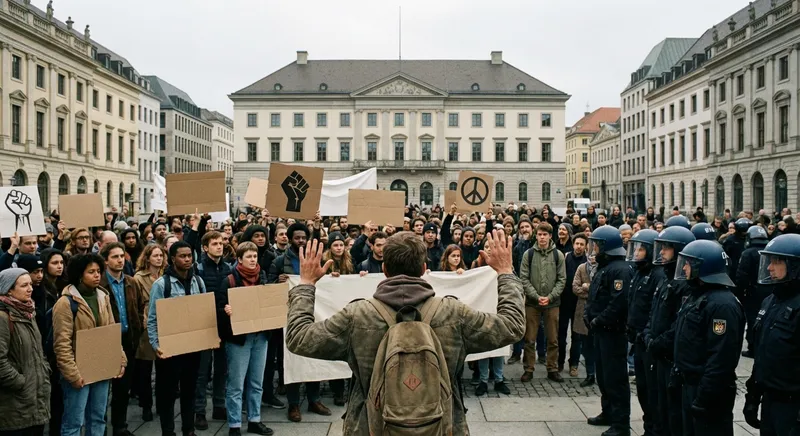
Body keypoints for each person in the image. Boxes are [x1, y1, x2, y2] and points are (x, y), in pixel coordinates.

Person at [285, 230, 525, 434]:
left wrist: (306, 284)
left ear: (385, 269)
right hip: (443, 424)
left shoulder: (357, 315)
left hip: (371, 425)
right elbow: (512, 325)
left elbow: (299, 338)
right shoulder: (452, 313)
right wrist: (505, 272)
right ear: (423, 268)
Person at [673, 240, 745, 436]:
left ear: (703, 267)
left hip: (708, 390)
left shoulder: (722, 304)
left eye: (689, 263)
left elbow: (721, 358)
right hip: (692, 384)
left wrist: (704, 396)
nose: (684, 268)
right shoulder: (698, 296)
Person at [54, 254, 126, 436]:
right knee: (74, 422)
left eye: (98, 271)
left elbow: (110, 331)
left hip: (101, 367)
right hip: (79, 371)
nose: (96, 275)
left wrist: (120, 360)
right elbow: (62, 344)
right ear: (79, 275)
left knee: (98, 417)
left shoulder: (103, 296)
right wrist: (73, 375)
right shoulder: (66, 302)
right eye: (91, 272)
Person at [267, 223, 330, 422]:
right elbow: (267, 285)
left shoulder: (316, 259)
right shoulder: (279, 261)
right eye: (297, 238)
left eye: (304, 238)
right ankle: (294, 404)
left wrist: (332, 277)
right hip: (290, 314)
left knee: (314, 354)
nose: (301, 241)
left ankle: (314, 399)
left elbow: (326, 281)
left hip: (313, 312)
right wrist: (278, 281)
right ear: (291, 239)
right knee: (291, 358)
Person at [147, 241, 207, 436]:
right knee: (167, 394)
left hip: (192, 348)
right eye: (183, 256)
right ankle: (168, 431)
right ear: (173, 259)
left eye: (190, 255)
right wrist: (156, 346)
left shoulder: (198, 281)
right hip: (170, 349)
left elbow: (204, 312)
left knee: (189, 391)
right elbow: (153, 319)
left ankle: (188, 429)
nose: (188, 259)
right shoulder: (161, 285)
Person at [743, 233, 800, 436]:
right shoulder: (771, 301)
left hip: (792, 407)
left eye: (776, 261)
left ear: (794, 266)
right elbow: (762, 354)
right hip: (769, 401)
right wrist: (752, 397)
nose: (769, 267)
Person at [215, 242, 274, 436]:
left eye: (255, 256)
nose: (253, 260)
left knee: (257, 382)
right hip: (239, 340)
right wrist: (226, 311)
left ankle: (254, 419)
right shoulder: (229, 280)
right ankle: (234, 424)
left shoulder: (262, 277)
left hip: (260, 336)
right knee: (236, 384)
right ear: (239, 259)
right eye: (248, 257)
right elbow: (219, 308)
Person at [644, 226, 695, 436]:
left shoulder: (685, 285)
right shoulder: (666, 278)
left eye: (667, 248)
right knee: (659, 405)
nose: (662, 252)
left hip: (670, 356)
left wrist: (658, 342)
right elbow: (653, 311)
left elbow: (678, 325)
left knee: (672, 412)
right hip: (659, 354)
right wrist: (648, 334)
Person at [585, 225, 633, 436]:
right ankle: (608, 412)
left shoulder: (620, 269)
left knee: (615, 379)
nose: (594, 249)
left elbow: (618, 304)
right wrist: (589, 317)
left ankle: (621, 424)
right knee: (604, 377)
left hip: (613, 332)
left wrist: (598, 320)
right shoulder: (605, 267)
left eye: (596, 245)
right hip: (601, 331)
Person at [99, 242, 146, 436]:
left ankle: (120, 425)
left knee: (123, 387)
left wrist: (137, 328)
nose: (119, 260)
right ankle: (99, 426)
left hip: (128, 339)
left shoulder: (130, 281)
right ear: (106, 260)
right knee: (102, 390)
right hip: (106, 340)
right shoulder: (100, 283)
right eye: (115, 257)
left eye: (121, 256)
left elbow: (140, 305)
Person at [0, 268, 51, 436]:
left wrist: (43, 373)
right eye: (24, 285)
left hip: (35, 397)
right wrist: (20, 382)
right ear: (8, 290)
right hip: (15, 401)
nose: (30, 289)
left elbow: (38, 351)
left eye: (30, 284)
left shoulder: (28, 312)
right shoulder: (3, 317)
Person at [193, 231, 233, 430]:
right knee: (202, 371)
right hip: (204, 325)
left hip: (224, 325)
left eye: (221, 243)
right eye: (215, 243)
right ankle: (199, 411)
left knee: (222, 369)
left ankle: (219, 405)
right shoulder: (198, 268)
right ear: (205, 247)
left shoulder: (228, 268)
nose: (220, 246)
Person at [625, 229, 661, 436]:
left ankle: (654, 429)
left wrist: (645, 333)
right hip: (637, 338)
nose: (636, 252)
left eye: (639, 248)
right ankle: (649, 427)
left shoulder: (656, 275)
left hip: (647, 339)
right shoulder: (639, 271)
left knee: (651, 389)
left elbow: (653, 310)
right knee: (643, 389)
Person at [520, 222, 567, 383]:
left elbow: (562, 279)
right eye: (539, 234)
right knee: (529, 338)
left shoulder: (558, 255)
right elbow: (524, 278)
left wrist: (551, 296)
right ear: (536, 235)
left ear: (549, 236)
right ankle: (529, 368)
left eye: (545, 234)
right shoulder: (529, 254)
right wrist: (535, 295)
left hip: (552, 303)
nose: (542, 237)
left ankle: (552, 368)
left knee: (553, 339)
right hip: (532, 303)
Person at [131, 244, 165, 422]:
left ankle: (161, 404)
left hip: (164, 323)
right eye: (155, 256)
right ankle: (146, 405)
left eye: (161, 255)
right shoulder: (138, 278)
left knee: (163, 368)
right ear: (147, 258)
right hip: (147, 324)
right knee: (144, 370)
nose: (159, 258)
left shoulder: (165, 275)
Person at [320, 232, 353, 406]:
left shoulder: (350, 262)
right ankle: (337, 391)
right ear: (330, 247)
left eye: (341, 245)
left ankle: (351, 388)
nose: (339, 248)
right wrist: (327, 278)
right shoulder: (324, 262)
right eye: (335, 245)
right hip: (331, 310)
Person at [735, 226, 771, 358]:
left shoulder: (748, 253)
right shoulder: (769, 250)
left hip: (752, 293)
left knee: (752, 320)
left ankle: (752, 347)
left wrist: (739, 293)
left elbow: (741, 275)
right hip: (769, 290)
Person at [560, 233, 587, 376]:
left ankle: (574, 364)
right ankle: (559, 362)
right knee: (561, 334)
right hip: (564, 302)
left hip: (580, 304)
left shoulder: (587, 261)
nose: (579, 246)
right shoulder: (565, 257)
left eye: (582, 244)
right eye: (577, 243)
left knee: (577, 337)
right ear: (573, 244)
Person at [572, 238, 596, 387]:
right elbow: (575, 287)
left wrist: (589, 288)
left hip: (597, 311)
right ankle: (590, 374)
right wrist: (586, 290)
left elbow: (601, 291)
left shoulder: (602, 268)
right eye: (590, 254)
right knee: (586, 345)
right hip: (582, 309)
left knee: (597, 345)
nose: (592, 257)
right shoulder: (582, 268)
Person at [722, 218, 752, 299]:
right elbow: (725, 256)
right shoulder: (730, 240)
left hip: (747, 272)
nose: (744, 233)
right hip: (734, 272)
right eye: (743, 231)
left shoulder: (751, 239)